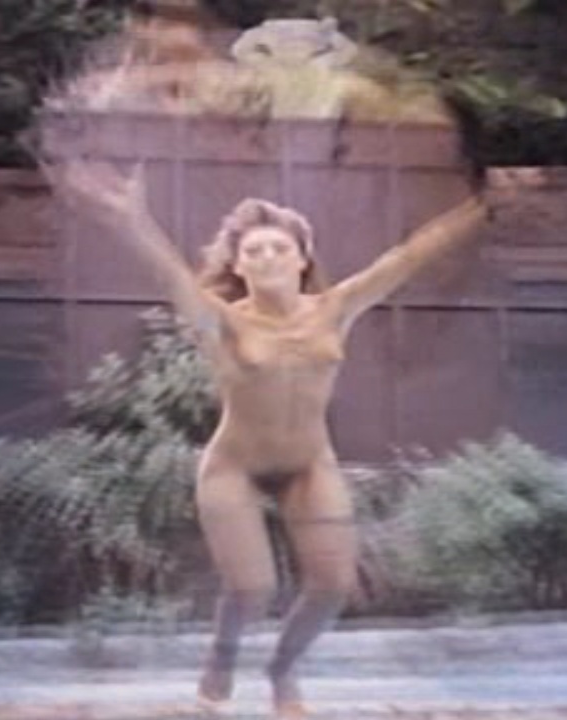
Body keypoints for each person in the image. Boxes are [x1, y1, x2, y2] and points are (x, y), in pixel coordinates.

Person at [47, 159, 488, 719]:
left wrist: (484, 206)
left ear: (303, 259)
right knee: (252, 589)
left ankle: (283, 668)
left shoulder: (334, 309)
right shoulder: (224, 322)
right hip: (235, 467)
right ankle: (223, 654)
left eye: (280, 248)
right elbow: (173, 280)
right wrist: (133, 219)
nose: (268, 257)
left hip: (309, 465)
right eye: (254, 251)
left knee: (332, 585)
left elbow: (407, 257)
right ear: (238, 264)